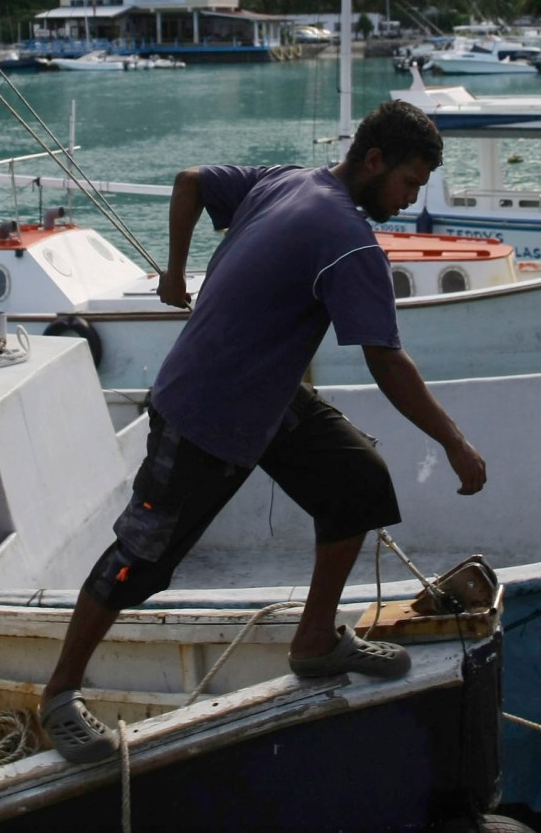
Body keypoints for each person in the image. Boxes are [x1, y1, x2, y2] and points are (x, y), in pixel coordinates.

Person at [38, 99, 487, 764]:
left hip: (268, 398)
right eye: (407, 183)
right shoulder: (349, 242)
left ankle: (313, 644)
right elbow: (386, 360)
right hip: (204, 411)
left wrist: (173, 270)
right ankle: (60, 696)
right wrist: (453, 440)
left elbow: (190, 181)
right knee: (140, 561)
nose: (410, 199)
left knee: (358, 480)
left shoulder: (288, 179)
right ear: (373, 161)